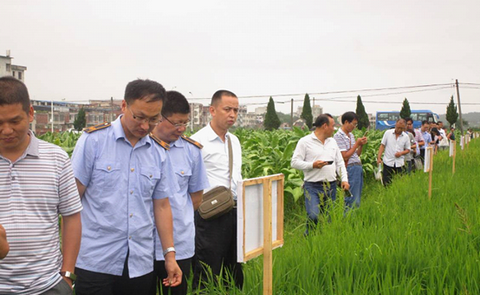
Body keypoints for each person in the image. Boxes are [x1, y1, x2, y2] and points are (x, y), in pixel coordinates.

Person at [71, 79, 182, 295]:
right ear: (124, 106)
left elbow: (161, 206)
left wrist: (170, 255)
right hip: (95, 260)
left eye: (153, 120)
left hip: (140, 262)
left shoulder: (159, 152)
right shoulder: (93, 141)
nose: (144, 126)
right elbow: (72, 202)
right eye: (139, 117)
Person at [0, 76, 83, 294]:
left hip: (47, 284)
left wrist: (67, 274)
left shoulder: (56, 158)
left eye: (14, 121)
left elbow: (72, 216)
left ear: (30, 114)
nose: (7, 130)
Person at [151, 91, 209, 295]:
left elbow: (195, 198)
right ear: (159, 117)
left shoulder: (191, 151)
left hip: (179, 243)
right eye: (176, 123)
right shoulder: (141, 146)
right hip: (142, 243)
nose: (182, 129)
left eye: (185, 123)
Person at [191, 90, 244, 289]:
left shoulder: (234, 141)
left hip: (234, 211)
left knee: (235, 266)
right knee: (207, 267)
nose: (232, 114)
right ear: (212, 110)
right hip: (209, 213)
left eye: (236, 110)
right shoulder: (197, 142)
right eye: (227, 109)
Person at [291, 114, 349, 235]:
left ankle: (323, 240)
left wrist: (344, 179)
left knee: (328, 218)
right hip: (312, 186)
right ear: (324, 126)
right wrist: (312, 165)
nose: (334, 129)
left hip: (331, 186)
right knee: (313, 215)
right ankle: (309, 238)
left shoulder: (332, 142)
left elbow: (340, 163)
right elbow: (294, 162)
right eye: (332, 126)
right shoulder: (305, 142)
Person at [333, 111, 367, 208]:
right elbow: (345, 156)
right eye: (354, 124)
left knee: (357, 196)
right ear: (346, 122)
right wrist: (356, 144)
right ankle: (348, 218)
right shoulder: (338, 136)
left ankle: (353, 217)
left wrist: (360, 145)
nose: (354, 127)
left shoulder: (351, 135)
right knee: (351, 198)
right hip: (350, 168)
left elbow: (356, 154)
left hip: (357, 167)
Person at [377, 119, 411, 186]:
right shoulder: (387, 133)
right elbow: (382, 145)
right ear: (395, 125)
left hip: (399, 163)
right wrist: (379, 158)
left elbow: (408, 150)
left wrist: (401, 153)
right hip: (388, 162)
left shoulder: (406, 137)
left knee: (399, 183)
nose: (399, 130)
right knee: (387, 183)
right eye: (398, 127)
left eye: (401, 128)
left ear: (404, 128)